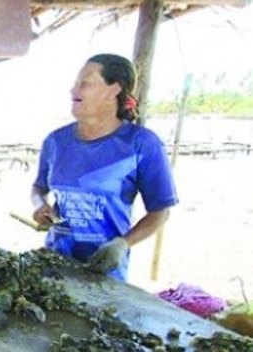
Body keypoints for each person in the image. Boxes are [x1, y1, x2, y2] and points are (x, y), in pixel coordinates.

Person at [31, 53, 178, 281]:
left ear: (114, 90)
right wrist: (40, 205)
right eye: (75, 84)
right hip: (55, 267)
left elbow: (160, 212)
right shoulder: (56, 141)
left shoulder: (141, 144)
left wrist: (122, 244)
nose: (74, 90)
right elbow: (39, 187)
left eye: (85, 83)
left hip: (104, 274)